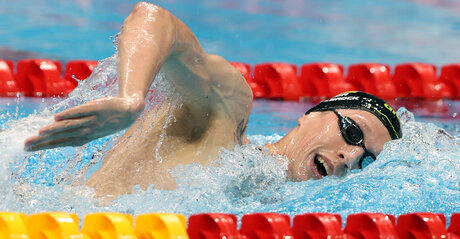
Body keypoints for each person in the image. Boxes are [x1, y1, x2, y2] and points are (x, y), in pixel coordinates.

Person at [24, 2, 401, 199]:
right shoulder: (224, 113)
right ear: (311, 114)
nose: (351, 159)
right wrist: (130, 100)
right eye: (352, 133)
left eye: (366, 160)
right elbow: (154, 19)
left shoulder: (269, 206)